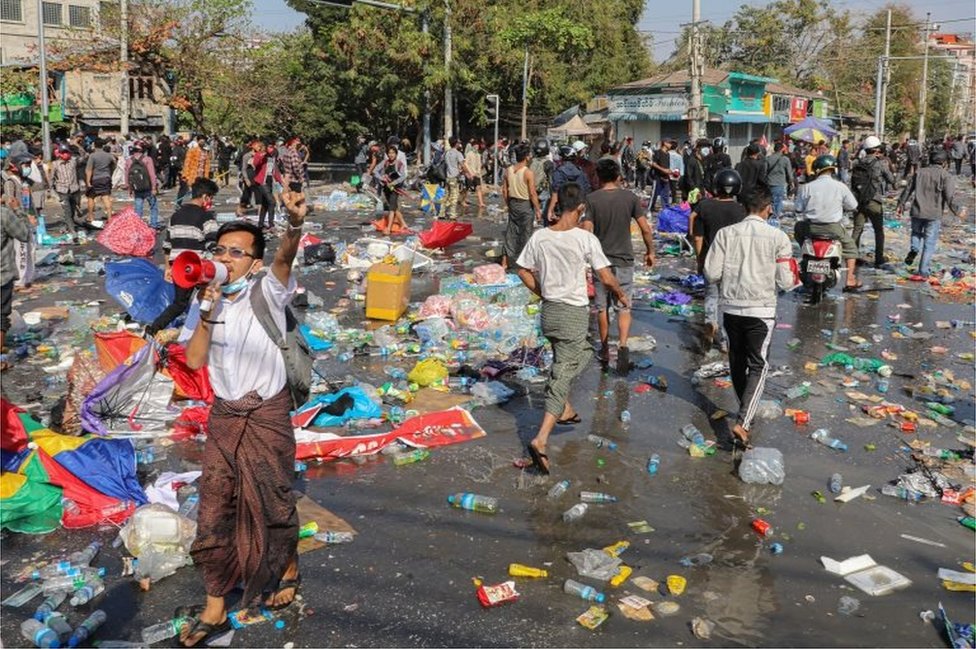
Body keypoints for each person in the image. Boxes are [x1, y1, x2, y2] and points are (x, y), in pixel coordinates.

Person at [180, 190, 307, 647]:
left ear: (253, 261)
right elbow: (194, 361)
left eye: (237, 252)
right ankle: (215, 605)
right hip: (224, 417)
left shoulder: (267, 290)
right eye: (220, 250)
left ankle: (287, 567)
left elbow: (285, 262)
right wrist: (208, 312)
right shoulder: (207, 301)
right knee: (214, 508)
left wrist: (292, 227)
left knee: (272, 501)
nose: (225, 258)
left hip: (266, 413)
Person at [516, 182, 628, 474]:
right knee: (569, 366)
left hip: (550, 312)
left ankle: (563, 405)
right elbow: (605, 276)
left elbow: (522, 269)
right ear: (579, 209)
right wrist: (619, 292)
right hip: (573, 313)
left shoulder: (541, 237)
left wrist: (542, 292)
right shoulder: (584, 238)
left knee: (571, 360)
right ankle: (540, 439)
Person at [703, 187, 798, 448]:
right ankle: (743, 421)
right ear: (769, 208)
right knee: (759, 364)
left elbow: (711, 273)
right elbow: (786, 279)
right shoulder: (778, 237)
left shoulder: (725, 234)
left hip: (731, 308)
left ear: (744, 208)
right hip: (761, 310)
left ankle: (745, 411)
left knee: (736, 359)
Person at [581, 159, 654, 374]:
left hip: (600, 263)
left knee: (602, 308)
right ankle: (622, 345)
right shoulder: (630, 198)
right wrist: (650, 251)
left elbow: (587, 231)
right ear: (618, 176)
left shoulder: (592, 199)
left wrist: (586, 260)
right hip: (624, 260)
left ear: (599, 177)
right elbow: (645, 228)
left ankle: (604, 349)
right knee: (624, 305)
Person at [146, 178, 220, 336]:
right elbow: (212, 244)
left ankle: (154, 329)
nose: (211, 201)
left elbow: (167, 245)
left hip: (180, 268)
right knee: (208, 299)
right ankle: (205, 332)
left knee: (179, 304)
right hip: (200, 268)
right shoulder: (207, 217)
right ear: (205, 197)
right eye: (211, 197)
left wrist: (168, 267)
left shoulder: (175, 216)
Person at [691, 169, 746, 353]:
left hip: (710, 259)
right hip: (734, 262)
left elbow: (697, 237)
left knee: (712, 296)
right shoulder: (741, 210)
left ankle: (710, 322)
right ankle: (724, 341)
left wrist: (699, 260)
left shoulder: (705, 206)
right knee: (728, 300)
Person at [897, 148, 967, 281]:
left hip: (917, 211)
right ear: (944, 162)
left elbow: (907, 190)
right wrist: (958, 211)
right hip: (933, 214)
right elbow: (949, 197)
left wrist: (900, 205)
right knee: (929, 243)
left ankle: (914, 249)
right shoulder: (946, 176)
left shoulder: (919, 172)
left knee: (916, 233)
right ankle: (923, 271)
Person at [794, 154, 861, 291]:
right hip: (833, 229)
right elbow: (853, 205)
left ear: (816, 170)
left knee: (798, 229)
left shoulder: (807, 187)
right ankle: (850, 280)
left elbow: (798, 208)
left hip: (811, 228)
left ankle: (807, 253)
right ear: (833, 169)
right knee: (851, 248)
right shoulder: (840, 186)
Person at [850, 135, 894, 269]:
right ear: (876, 150)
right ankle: (879, 259)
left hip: (859, 201)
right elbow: (891, 179)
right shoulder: (881, 163)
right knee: (878, 231)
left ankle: (853, 257)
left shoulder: (857, 163)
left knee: (857, 230)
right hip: (874, 201)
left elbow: (853, 182)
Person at [0, 203, 31, 372]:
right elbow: (24, 234)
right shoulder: (4, 214)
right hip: (2, 275)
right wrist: (19, 211)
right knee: (1, 316)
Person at [501, 143, 541, 269]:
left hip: (513, 203)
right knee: (526, 233)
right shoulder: (528, 173)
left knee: (511, 231)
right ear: (527, 157)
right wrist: (538, 209)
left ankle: (504, 262)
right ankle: (525, 264)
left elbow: (504, 190)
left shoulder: (509, 170)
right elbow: (532, 193)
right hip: (525, 205)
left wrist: (508, 204)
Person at [546, 145, 590, 222]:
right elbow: (585, 190)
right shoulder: (580, 172)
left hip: (563, 209)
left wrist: (550, 210)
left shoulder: (559, 172)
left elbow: (555, 193)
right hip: (578, 209)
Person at [125, 141, 160, 229]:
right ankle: (153, 225)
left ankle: (138, 226)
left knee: (138, 208)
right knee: (153, 207)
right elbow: (152, 174)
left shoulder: (129, 160)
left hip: (137, 189)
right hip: (148, 187)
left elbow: (127, 175)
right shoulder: (147, 159)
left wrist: (129, 188)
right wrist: (154, 188)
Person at [51, 146, 84, 240]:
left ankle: (67, 225)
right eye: (63, 152)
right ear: (60, 154)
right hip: (62, 190)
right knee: (67, 210)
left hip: (74, 189)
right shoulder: (55, 164)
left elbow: (84, 156)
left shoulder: (73, 162)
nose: (65, 154)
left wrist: (77, 144)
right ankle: (72, 230)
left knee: (73, 210)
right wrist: (52, 190)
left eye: (67, 152)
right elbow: (52, 178)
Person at [376, 145, 407, 235]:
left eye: (393, 153)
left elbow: (404, 176)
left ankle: (388, 229)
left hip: (395, 189)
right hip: (386, 189)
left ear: (396, 154)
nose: (391, 155)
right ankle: (404, 224)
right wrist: (382, 178)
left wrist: (394, 182)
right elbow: (375, 171)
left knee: (391, 209)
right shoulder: (384, 163)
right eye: (389, 153)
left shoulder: (399, 163)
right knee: (395, 208)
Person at [85, 140, 115, 222]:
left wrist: (88, 181)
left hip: (96, 179)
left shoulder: (92, 156)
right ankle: (110, 218)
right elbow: (114, 164)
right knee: (106, 197)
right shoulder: (109, 155)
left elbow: (89, 169)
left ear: (94, 145)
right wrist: (110, 173)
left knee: (91, 197)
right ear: (103, 146)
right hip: (106, 178)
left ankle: (91, 217)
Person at [764, 142, 794, 219]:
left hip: (769, 183)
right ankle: (775, 217)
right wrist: (791, 183)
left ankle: (769, 215)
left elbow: (764, 171)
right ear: (781, 149)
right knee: (778, 201)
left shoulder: (768, 158)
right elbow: (789, 173)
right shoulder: (785, 159)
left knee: (770, 201)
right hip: (779, 183)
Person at [443, 136, 467, 219]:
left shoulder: (446, 153)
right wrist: (468, 173)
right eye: (459, 143)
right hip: (454, 177)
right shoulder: (458, 153)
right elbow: (462, 165)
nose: (460, 144)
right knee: (454, 196)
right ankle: (452, 214)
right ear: (456, 144)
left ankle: (442, 213)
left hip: (447, 177)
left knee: (446, 195)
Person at [648, 139, 673, 212]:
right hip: (657, 177)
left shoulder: (667, 154)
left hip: (666, 177)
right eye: (670, 143)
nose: (671, 145)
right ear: (665, 143)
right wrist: (663, 170)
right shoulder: (657, 152)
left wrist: (669, 171)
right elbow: (653, 164)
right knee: (654, 194)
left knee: (666, 195)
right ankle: (650, 209)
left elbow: (666, 166)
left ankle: (666, 210)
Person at [462, 139, 485, 210]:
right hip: (470, 174)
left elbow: (479, 165)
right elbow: (465, 164)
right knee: (467, 188)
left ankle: (481, 202)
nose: (476, 146)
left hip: (477, 174)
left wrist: (479, 173)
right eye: (475, 145)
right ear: (472, 146)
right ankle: (463, 200)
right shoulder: (469, 154)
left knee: (478, 188)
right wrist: (469, 173)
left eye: (477, 145)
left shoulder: (478, 155)